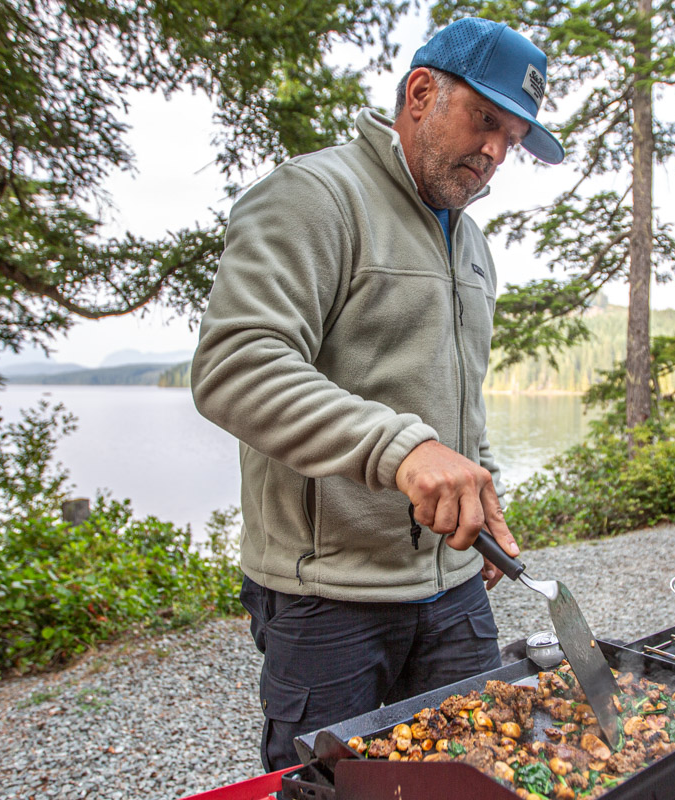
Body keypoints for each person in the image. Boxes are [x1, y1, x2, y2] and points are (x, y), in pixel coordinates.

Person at [190, 16, 566, 771]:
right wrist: (406, 449)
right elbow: (236, 363)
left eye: (514, 136)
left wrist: (479, 489)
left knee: (475, 777)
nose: (495, 151)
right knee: (334, 790)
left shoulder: (472, 242)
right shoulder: (315, 197)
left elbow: (462, 389)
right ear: (421, 93)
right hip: (329, 597)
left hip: (455, 586)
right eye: (484, 119)